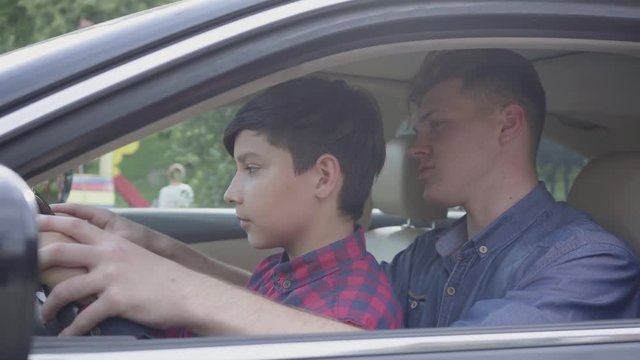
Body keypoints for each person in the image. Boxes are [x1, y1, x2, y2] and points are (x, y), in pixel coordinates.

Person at [38, 49, 639, 337]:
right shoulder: (425, 258)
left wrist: (173, 288)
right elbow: (302, 318)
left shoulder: (586, 262)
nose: (416, 144)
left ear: (509, 125)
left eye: (436, 124)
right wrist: (158, 253)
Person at [38, 77, 402, 336]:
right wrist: (158, 248)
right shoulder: (285, 271)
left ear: (323, 177)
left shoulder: (352, 315)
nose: (231, 192)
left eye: (253, 168)